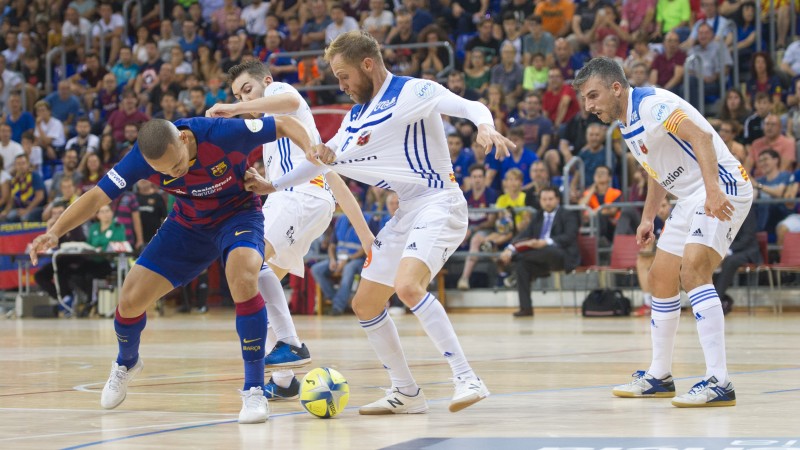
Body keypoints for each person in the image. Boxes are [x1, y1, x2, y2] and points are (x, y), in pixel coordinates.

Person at [245, 30, 516, 414]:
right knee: (365, 303)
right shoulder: (355, 118)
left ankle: (466, 377)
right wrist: (272, 184)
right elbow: (320, 161)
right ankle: (406, 392)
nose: (340, 85)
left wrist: (484, 125)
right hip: (406, 210)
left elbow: (468, 105)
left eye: (343, 76)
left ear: (367, 64)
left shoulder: (412, 92)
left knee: (407, 286)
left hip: (441, 202)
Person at [27, 114, 317, 424]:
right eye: (163, 172)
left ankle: (255, 389)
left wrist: (311, 148)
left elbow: (284, 123)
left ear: (183, 139)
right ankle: (127, 362)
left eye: (176, 165)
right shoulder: (140, 158)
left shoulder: (221, 133)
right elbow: (97, 195)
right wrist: (55, 232)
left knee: (244, 277)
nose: (173, 173)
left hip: (238, 216)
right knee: (129, 300)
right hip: (187, 226)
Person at [574, 57, 753, 407]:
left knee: (694, 270)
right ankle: (659, 375)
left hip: (723, 186)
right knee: (660, 277)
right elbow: (657, 170)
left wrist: (714, 191)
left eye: (593, 96)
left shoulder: (654, 106)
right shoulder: (626, 121)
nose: (589, 106)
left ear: (616, 88)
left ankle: (720, 381)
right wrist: (648, 217)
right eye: (584, 98)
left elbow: (700, 137)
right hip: (690, 195)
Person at [205, 60, 373, 401]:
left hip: (299, 201)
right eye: (238, 94)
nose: (245, 99)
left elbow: (291, 100)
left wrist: (235, 107)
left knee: (245, 265)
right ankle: (284, 381)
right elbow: (334, 180)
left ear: (266, 82)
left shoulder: (280, 93)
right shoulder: (281, 138)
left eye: (248, 90)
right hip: (307, 203)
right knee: (251, 290)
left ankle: (292, 345)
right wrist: (369, 240)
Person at [498, 187, 579, 316]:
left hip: (561, 256)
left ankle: (513, 258)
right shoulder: (538, 216)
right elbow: (524, 234)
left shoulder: (568, 214)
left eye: (550, 199)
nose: (547, 202)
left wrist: (546, 241)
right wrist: (510, 248)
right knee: (521, 265)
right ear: (540, 201)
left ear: (557, 199)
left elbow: (569, 236)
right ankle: (526, 308)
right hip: (538, 259)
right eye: (544, 199)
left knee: (547, 249)